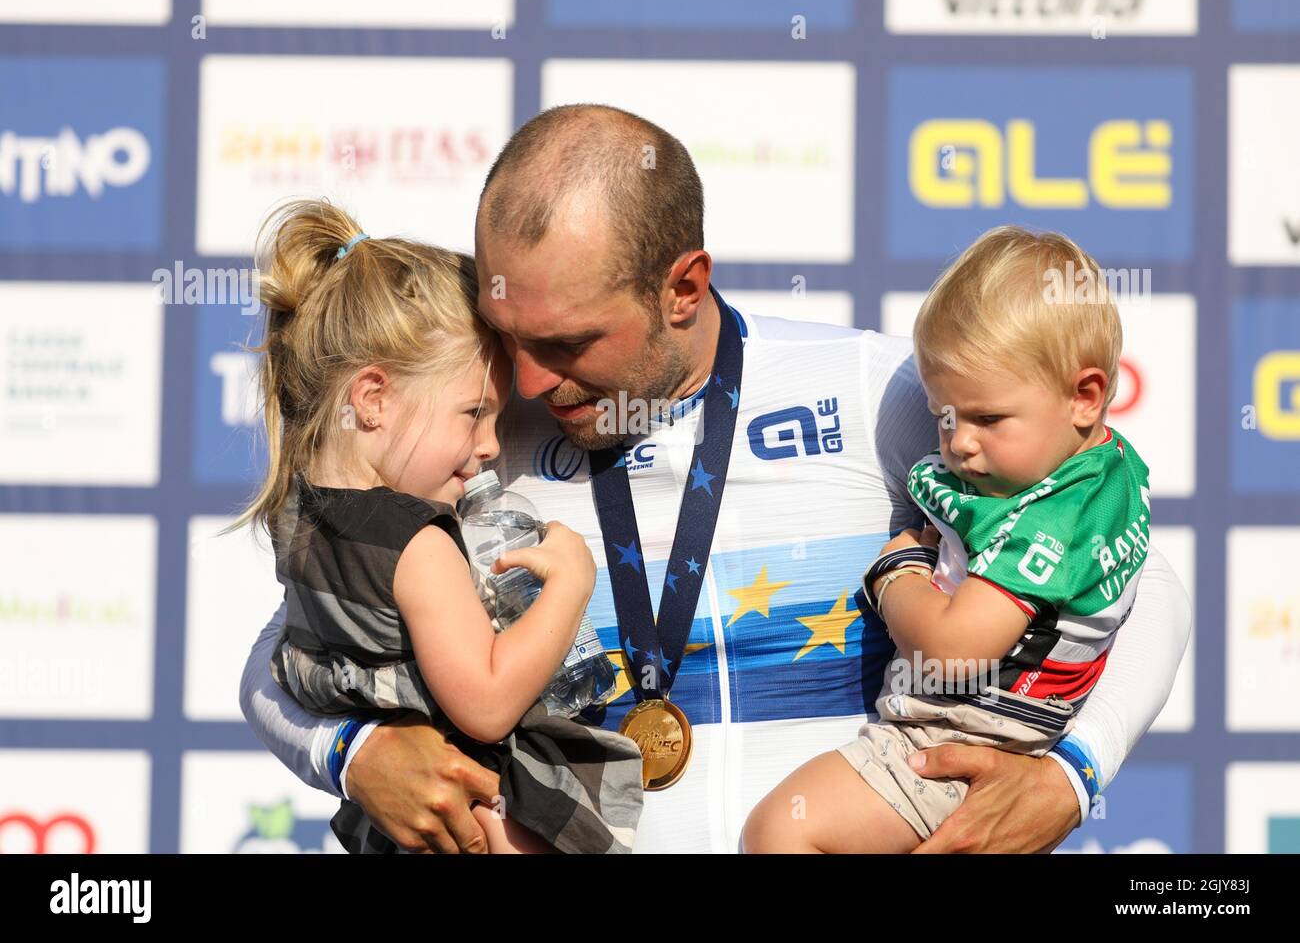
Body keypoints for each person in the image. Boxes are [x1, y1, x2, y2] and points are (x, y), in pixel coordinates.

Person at [239, 104, 1191, 854]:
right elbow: (283, 652)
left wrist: (1073, 773)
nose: (526, 383)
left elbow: (1147, 584)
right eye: (511, 341)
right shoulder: (477, 439)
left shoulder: (879, 392)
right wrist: (351, 752)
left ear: (683, 287)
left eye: (568, 343)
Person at [231, 198, 642, 854]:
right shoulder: (419, 541)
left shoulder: (303, 519)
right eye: (474, 413)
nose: (488, 446)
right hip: (481, 812)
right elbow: (485, 702)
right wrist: (570, 584)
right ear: (372, 399)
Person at [742, 226, 1151, 852]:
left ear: (1085, 397)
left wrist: (895, 572)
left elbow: (956, 650)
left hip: (960, 747)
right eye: (945, 417)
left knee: (781, 832)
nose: (960, 442)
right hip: (959, 733)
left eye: (988, 418)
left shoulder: (1060, 515)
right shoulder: (1083, 467)